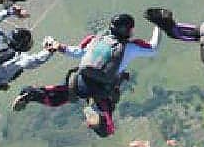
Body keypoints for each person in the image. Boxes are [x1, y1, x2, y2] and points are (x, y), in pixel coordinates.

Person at [12, 13, 159, 137]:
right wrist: (159, 25)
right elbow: (153, 48)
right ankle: (98, 115)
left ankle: (31, 93)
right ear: (127, 30)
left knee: (57, 98)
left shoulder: (96, 39)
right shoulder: (130, 47)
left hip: (79, 82)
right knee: (107, 130)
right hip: (101, 91)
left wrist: (58, 46)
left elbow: (78, 51)